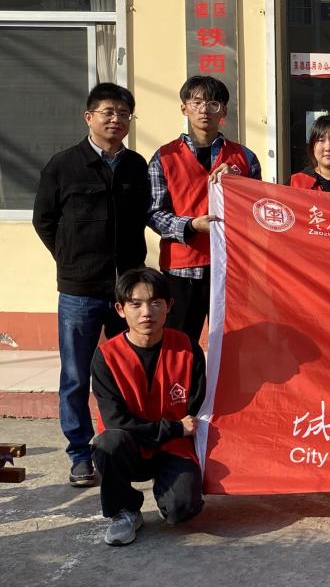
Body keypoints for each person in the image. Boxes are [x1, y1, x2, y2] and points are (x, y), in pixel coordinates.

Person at [32, 83, 151, 488]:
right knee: (75, 375)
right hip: (79, 291)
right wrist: (70, 260)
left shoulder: (136, 166)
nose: (116, 119)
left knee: (127, 371)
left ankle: (127, 445)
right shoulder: (63, 165)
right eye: (108, 112)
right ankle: (80, 455)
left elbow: (146, 215)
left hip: (127, 292)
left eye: (123, 113)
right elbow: (44, 220)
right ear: (89, 117)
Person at [91, 267, 205, 546]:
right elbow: (116, 421)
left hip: (173, 446)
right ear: (120, 309)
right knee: (108, 443)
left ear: (169, 305)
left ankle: (169, 491)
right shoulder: (106, 356)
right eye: (136, 304)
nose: (146, 313)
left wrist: (176, 432)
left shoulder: (188, 349)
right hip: (129, 445)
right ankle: (124, 510)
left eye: (155, 302)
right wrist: (174, 428)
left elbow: (196, 409)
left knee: (182, 510)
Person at [148, 76, 262, 343]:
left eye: (213, 104)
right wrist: (190, 226)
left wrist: (237, 181)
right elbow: (153, 213)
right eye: (196, 102)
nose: (204, 110)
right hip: (182, 268)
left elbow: (257, 209)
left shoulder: (244, 158)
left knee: (233, 343)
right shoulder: (164, 157)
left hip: (232, 267)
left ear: (224, 111)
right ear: (184, 108)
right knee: (179, 342)